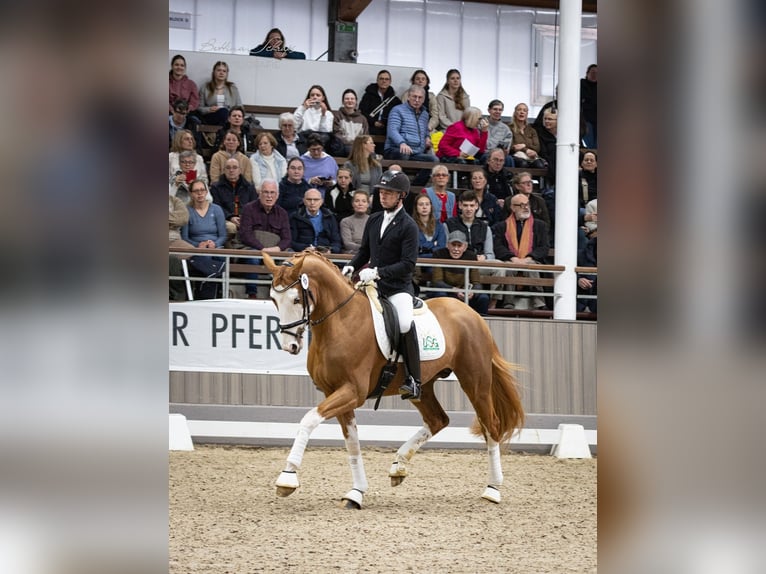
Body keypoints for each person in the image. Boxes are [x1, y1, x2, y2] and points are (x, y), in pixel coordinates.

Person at [341, 170, 422, 401]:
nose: (383, 196)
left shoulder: (409, 226)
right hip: (371, 285)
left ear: (401, 196)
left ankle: (414, 380)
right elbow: (365, 250)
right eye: (382, 192)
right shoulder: (374, 218)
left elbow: (407, 265)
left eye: (389, 193)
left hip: (397, 287)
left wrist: (377, 272)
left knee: (405, 323)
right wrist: (351, 266)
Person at [443, 190, 504, 309]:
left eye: (471, 205)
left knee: (500, 267)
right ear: (460, 205)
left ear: (477, 206)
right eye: (465, 205)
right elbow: (446, 249)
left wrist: (485, 257)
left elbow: (490, 253)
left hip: (478, 264)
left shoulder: (485, 227)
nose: (468, 209)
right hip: (457, 263)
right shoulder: (449, 224)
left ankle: (493, 303)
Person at [492, 193, 550, 310]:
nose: (526, 207)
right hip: (511, 260)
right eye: (521, 205)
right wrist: (514, 258)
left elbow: (544, 247)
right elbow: (498, 247)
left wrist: (528, 258)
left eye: (527, 204)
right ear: (513, 207)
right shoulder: (501, 226)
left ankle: (539, 302)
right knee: (508, 268)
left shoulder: (540, 225)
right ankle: (508, 302)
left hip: (532, 260)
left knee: (533, 267)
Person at [238, 179, 292, 298]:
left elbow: (287, 238)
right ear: (259, 193)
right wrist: (262, 249)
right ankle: (252, 294)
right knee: (253, 258)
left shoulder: (282, 213)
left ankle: (282, 294)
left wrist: (277, 249)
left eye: (272, 193)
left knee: (291, 259)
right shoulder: (248, 209)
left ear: (277, 195)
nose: (269, 196)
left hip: (275, 250)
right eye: (266, 192)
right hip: (255, 248)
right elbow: (245, 235)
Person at [180, 180, 227, 299]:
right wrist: (198, 245)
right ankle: (206, 297)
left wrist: (214, 244)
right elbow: (185, 237)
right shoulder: (187, 211)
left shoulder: (216, 209)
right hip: (196, 248)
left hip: (215, 247)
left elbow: (223, 235)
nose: (200, 193)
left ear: (206, 192)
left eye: (202, 190)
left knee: (218, 258)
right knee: (204, 258)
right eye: (196, 191)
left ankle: (216, 295)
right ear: (191, 194)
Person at [384, 85, 437, 186]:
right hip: (394, 149)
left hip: (416, 152)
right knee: (404, 153)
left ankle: (415, 187)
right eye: (414, 96)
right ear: (408, 97)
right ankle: (400, 185)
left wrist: (427, 138)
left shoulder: (425, 114)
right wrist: (402, 143)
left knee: (434, 160)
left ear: (424, 99)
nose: (417, 100)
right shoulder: (397, 110)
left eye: (420, 97)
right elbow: (392, 130)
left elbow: (425, 131)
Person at [430, 230, 489, 316]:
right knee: (441, 295)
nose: (456, 249)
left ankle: (481, 323)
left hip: (464, 292)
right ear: (447, 245)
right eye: (453, 245)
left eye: (459, 246)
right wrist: (454, 290)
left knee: (483, 298)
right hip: (448, 291)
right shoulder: (439, 254)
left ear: (465, 247)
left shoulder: (471, 256)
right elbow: (437, 281)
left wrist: (472, 292)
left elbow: (476, 282)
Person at [209, 157, 257, 239]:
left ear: (240, 170)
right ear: (224, 170)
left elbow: (254, 206)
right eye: (228, 168)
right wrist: (230, 217)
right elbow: (217, 207)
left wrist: (244, 217)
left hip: (245, 218)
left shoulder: (249, 187)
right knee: (231, 228)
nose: (231, 170)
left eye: (234, 167)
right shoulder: (216, 187)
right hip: (226, 219)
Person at [359, 70, 401, 151]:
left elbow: (397, 117)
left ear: (390, 82)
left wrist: (385, 123)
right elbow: (362, 112)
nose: (384, 81)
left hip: (386, 129)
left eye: (386, 79)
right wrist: (374, 122)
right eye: (381, 79)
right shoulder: (368, 96)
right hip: (370, 127)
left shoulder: (395, 100)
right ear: (377, 81)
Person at [289, 188, 342, 253]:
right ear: (304, 201)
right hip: (304, 253)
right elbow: (291, 242)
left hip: (325, 254)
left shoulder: (330, 217)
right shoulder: (295, 217)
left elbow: (336, 241)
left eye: (316, 200)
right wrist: (305, 248)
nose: (312, 202)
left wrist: (331, 250)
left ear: (321, 201)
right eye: (309, 199)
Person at [198, 61, 242, 126]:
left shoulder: (233, 88)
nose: (221, 73)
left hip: (229, 117)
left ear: (227, 74)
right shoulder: (205, 87)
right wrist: (209, 109)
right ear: (214, 72)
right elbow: (199, 108)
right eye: (219, 70)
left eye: (224, 71)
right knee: (223, 112)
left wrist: (234, 114)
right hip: (212, 116)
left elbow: (239, 106)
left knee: (225, 112)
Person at [332, 89, 368, 157]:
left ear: (356, 101)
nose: (350, 101)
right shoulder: (337, 115)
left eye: (352, 99)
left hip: (358, 147)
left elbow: (365, 136)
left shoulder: (363, 119)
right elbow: (336, 134)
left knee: (373, 155)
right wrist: (352, 144)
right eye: (347, 99)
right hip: (342, 147)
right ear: (343, 101)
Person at [509, 102, 546, 169]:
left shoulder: (532, 130)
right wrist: (526, 150)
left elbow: (537, 148)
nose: (522, 112)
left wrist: (524, 146)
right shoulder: (509, 128)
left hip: (532, 156)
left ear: (527, 114)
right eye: (519, 110)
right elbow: (512, 146)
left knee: (540, 165)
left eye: (524, 110)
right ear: (515, 112)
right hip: (516, 155)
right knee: (524, 164)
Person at [481, 100, 514, 166]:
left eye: (500, 110)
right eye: (495, 109)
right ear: (489, 110)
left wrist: (505, 150)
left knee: (509, 159)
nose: (497, 112)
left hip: (500, 154)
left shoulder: (506, 129)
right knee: (488, 157)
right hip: (485, 153)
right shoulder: (481, 124)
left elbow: (507, 147)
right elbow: (482, 146)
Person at [412, 193, 446, 257]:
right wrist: (433, 244)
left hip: (435, 261)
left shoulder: (439, 225)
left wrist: (423, 249)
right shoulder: (411, 225)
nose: (424, 207)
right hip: (417, 261)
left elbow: (441, 246)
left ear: (431, 207)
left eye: (427, 204)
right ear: (416, 207)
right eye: (421, 204)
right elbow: (414, 246)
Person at [339, 189, 370, 254]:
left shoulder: (373, 220)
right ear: (352, 204)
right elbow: (347, 244)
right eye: (357, 201)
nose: (360, 204)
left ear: (368, 204)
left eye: (364, 201)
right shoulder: (345, 221)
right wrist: (365, 248)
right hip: (352, 254)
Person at [537, 108, 558, 187]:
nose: (546, 121)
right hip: (547, 160)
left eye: (550, 119)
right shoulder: (539, 132)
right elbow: (542, 152)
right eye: (545, 119)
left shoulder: (564, 133)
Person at [580, 64, 597, 149]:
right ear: (587, 73)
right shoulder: (580, 85)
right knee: (590, 145)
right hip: (585, 120)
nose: (595, 75)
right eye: (593, 72)